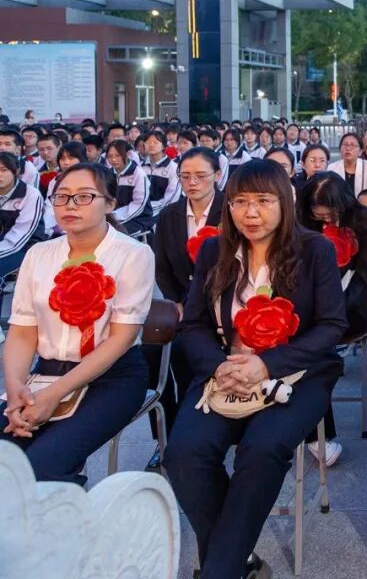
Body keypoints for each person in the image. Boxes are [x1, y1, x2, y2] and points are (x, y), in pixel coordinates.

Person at [164, 160, 348, 578]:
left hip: (297, 374)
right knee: (184, 453)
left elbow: (332, 327)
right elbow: (192, 324)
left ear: (286, 202)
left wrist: (265, 364)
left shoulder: (314, 250)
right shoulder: (216, 251)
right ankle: (237, 559)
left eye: (263, 201)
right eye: (240, 202)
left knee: (262, 450)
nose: (251, 213)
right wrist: (218, 365)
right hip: (224, 373)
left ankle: (219, 570)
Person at [1, 163, 154, 484]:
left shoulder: (133, 254)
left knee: (40, 469)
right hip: (44, 374)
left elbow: (120, 340)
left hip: (111, 378)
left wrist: (54, 395)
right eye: (62, 197)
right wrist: (15, 388)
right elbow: (22, 331)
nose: (70, 205)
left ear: (110, 203)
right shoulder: (39, 254)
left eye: (84, 197)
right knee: (8, 459)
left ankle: (68, 528)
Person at [297, 171, 367, 466]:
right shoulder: (301, 223)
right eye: (318, 217)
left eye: (331, 215)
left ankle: (315, 435)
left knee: (312, 345)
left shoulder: (364, 221)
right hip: (309, 303)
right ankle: (316, 434)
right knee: (305, 348)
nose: (326, 223)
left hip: (351, 303)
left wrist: (332, 307)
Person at [150, 147, 224, 470]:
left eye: (200, 176)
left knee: (191, 355)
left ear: (217, 176)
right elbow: (162, 266)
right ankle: (164, 436)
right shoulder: (169, 215)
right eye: (185, 177)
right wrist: (177, 302)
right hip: (183, 303)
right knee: (153, 356)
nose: (192, 183)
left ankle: (201, 430)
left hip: (223, 306)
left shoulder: (231, 211)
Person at [0, 151, 47, 277]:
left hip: (23, 247)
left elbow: (19, 237)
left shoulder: (30, 195)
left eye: (4, 170)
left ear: (16, 171)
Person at [105, 139, 154, 235]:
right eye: (110, 156)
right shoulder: (108, 173)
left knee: (112, 233)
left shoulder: (138, 174)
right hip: (113, 215)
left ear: (127, 154)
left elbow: (138, 204)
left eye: (118, 156)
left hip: (138, 218)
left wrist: (115, 216)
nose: (114, 159)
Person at [43, 142, 88, 237]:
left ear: (81, 158)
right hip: (58, 227)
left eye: (71, 158)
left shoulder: (92, 179)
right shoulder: (55, 181)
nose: (66, 162)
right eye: (62, 159)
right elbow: (50, 206)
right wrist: (48, 228)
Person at [327, 132, 367, 199]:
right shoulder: (332, 168)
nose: (348, 148)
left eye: (353, 145)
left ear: (360, 151)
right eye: (345, 145)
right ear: (340, 150)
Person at [142, 130, 181, 217]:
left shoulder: (174, 168)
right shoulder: (140, 167)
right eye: (148, 142)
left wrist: (145, 209)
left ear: (163, 145)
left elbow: (171, 199)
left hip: (164, 213)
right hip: (140, 211)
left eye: (155, 142)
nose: (151, 145)